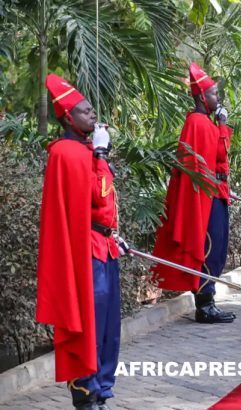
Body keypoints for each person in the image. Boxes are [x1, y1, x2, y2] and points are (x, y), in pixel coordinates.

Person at [37, 74, 121, 410]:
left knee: (107, 328)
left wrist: (116, 235)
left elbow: (105, 209)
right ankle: (85, 394)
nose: (93, 117)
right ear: (69, 118)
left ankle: (101, 389)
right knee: (88, 325)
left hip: (104, 247)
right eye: (86, 112)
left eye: (92, 111)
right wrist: (100, 154)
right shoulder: (67, 153)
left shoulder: (85, 151)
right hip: (84, 253)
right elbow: (96, 195)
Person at [151, 62, 236, 324]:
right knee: (210, 248)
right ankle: (205, 304)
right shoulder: (198, 123)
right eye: (213, 94)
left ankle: (208, 299)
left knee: (217, 247)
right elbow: (219, 154)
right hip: (207, 198)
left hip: (216, 193)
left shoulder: (204, 122)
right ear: (201, 97)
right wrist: (222, 124)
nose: (217, 98)